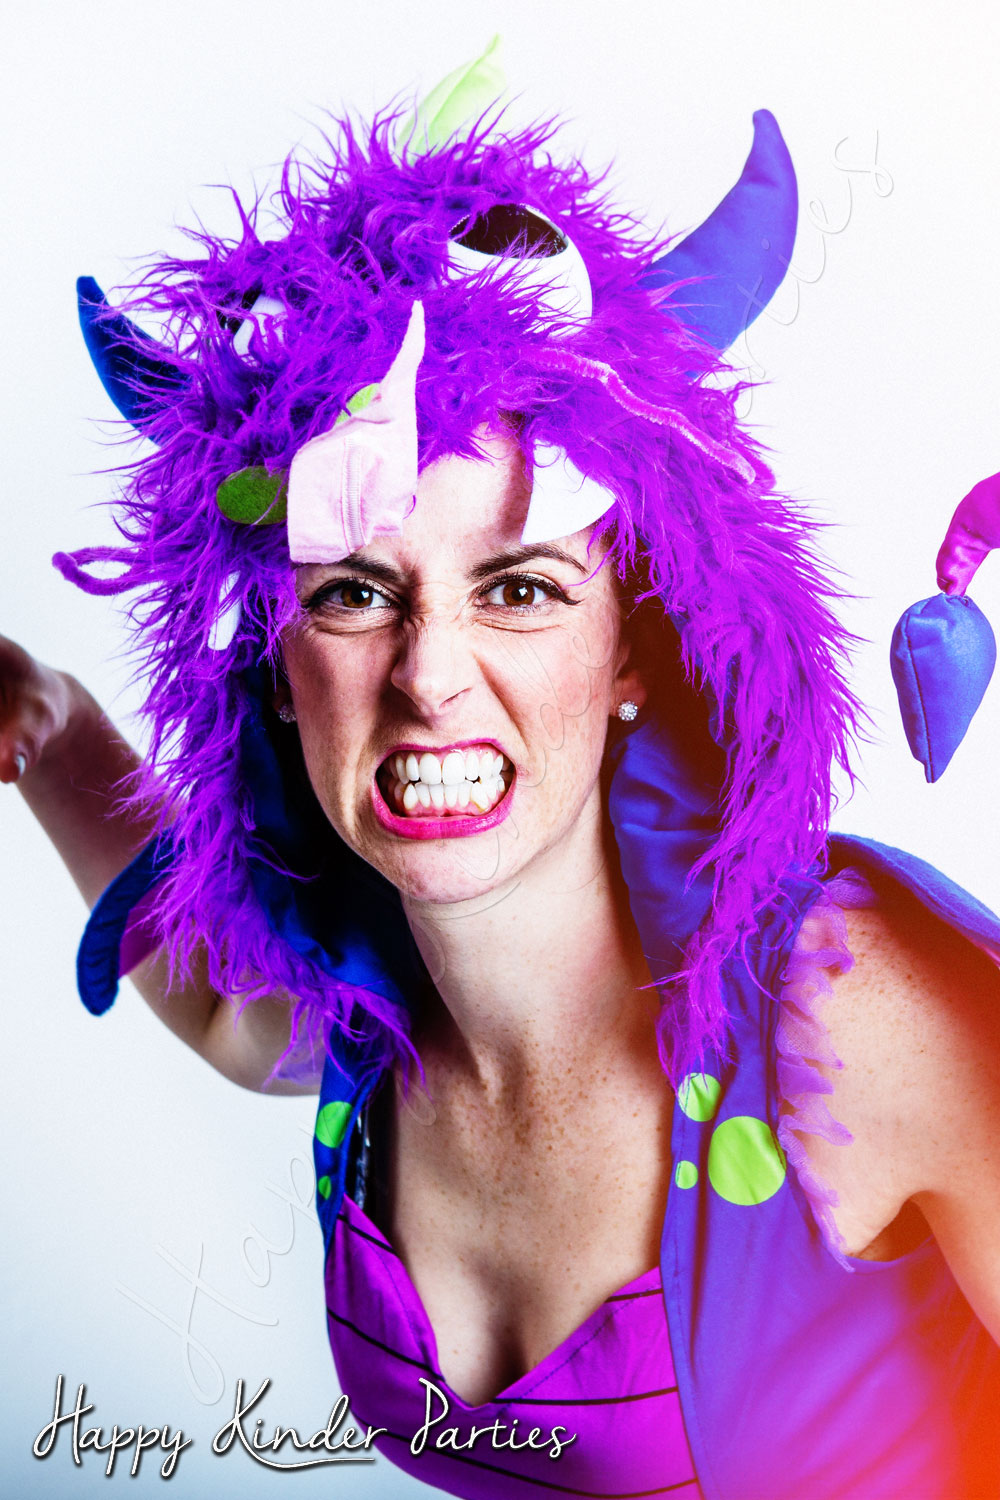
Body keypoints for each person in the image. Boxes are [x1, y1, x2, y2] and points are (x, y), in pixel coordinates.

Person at [4, 71, 1000, 1499]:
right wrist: (46, 727)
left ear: (634, 646)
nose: (430, 676)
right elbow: (221, 1004)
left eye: (520, 589)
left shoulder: (841, 1010)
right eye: (356, 592)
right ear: (280, 665)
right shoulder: (362, 1013)